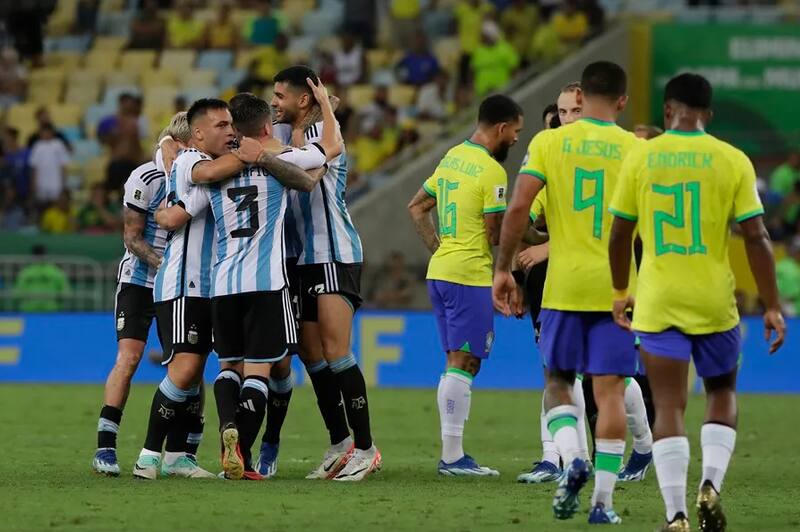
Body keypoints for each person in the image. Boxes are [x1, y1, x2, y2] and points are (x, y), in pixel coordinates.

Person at [608, 73, 786, 532]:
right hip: (714, 302)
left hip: (658, 300)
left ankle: (676, 515)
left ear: (668, 111)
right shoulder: (733, 160)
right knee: (722, 392)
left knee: (668, 405)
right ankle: (709, 484)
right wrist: (771, 304)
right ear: (708, 114)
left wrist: (619, 290)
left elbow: (620, 233)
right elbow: (756, 236)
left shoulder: (641, 157)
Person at [493, 61, 641, 525]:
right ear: (621, 100)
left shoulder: (548, 141)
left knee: (558, 380)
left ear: (583, 98)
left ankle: (572, 456)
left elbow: (519, 207)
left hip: (563, 286)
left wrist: (504, 268)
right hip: (619, 289)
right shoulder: (636, 149)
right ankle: (603, 502)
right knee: (611, 393)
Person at [271, 65, 381, 481]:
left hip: (334, 252)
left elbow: (307, 179)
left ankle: (366, 449)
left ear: (302, 100)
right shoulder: (290, 132)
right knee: (310, 353)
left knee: (336, 351)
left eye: (280, 95)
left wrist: (323, 110)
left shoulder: (324, 137)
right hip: (303, 259)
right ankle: (340, 445)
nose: (274, 102)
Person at [407, 94, 523, 476]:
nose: (517, 140)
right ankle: (453, 458)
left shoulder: (452, 156)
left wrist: (438, 247)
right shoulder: (492, 171)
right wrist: (532, 236)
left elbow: (417, 206)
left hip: (441, 272)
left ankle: (453, 455)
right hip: (468, 275)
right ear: (502, 128)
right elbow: (495, 233)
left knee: (456, 361)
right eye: (516, 132)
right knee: (465, 362)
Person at [92, 113, 194, 478]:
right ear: (179, 144)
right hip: (139, 280)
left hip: (178, 285)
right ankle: (105, 447)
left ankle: (182, 453)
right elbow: (132, 238)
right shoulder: (145, 177)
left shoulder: (194, 174)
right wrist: (163, 263)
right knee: (129, 358)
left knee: (185, 365)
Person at [13, 245, 70, 312]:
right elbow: (66, 293)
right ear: (47, 255)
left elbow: (17, 294)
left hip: (30, 311)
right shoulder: (56, 271)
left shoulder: (25, 272)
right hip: (51, 310)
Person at [471, 20, 519, 96]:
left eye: (484, 35)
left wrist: (512, 87)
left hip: (504, 93)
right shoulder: (478, 51)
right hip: (483, 94)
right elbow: (472, 72)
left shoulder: (506, 48)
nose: (482, 38)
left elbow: (514, 70)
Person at [29, 123, 70, 206]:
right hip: (41, 183)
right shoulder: (37, 146)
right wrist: (34, 184)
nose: (45, 134)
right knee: (42, 205)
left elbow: (63, 166)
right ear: (40, 133)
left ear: (52, 133)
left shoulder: (59, 145)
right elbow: (34, 167)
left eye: (48, 132)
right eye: (43, 132)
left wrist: (64, 183)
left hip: (56, 183)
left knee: (55, 205)